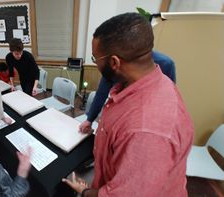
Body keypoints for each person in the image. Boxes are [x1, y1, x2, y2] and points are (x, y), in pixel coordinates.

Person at [63, 13, 194, 196]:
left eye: (95, 59)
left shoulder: (147, 131)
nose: (96, 64)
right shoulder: (146, 80)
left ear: (115, 62)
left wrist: (85, 193)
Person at [79, 51, 176, 133]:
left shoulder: (166, 64)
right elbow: (101, 93)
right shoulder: (111, 62)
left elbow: (168, 100)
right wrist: (90, 119)